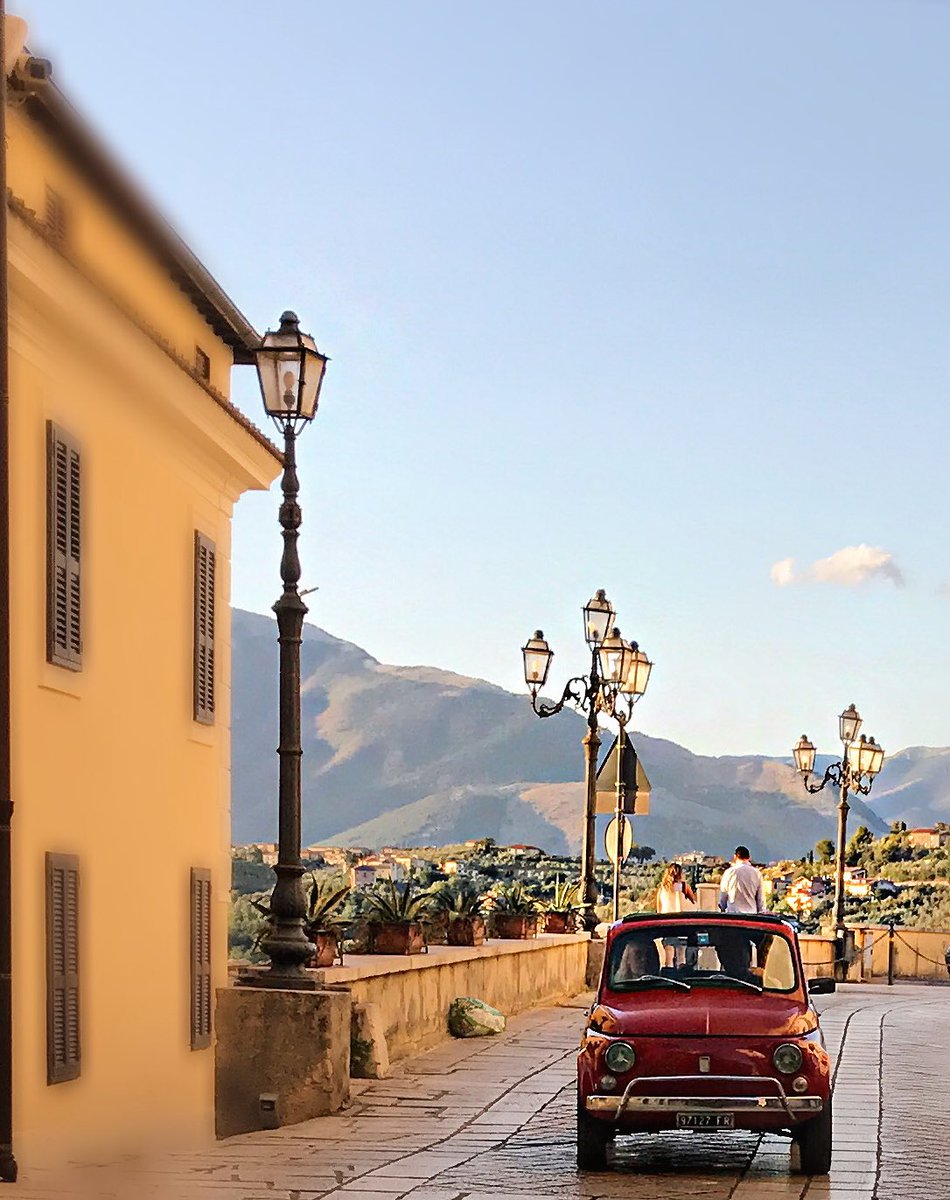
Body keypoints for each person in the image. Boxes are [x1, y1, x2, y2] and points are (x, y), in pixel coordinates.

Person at [656, 863, 696, 966]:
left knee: (668, 957)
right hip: (681, 923)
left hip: (667, 924)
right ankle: (680, 976)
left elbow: (659, 908)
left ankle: (668, 974)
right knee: (681, 955)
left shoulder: (662, 889)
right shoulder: (683, 886)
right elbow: (693, 902)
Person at [718, 846, 765, 914]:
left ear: (735, 857)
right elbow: (760, 899)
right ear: (749, 857)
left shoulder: (729, 872)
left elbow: (723, 896)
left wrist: (722, 909)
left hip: (733, 914)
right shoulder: (757, 873)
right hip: (751, 915)